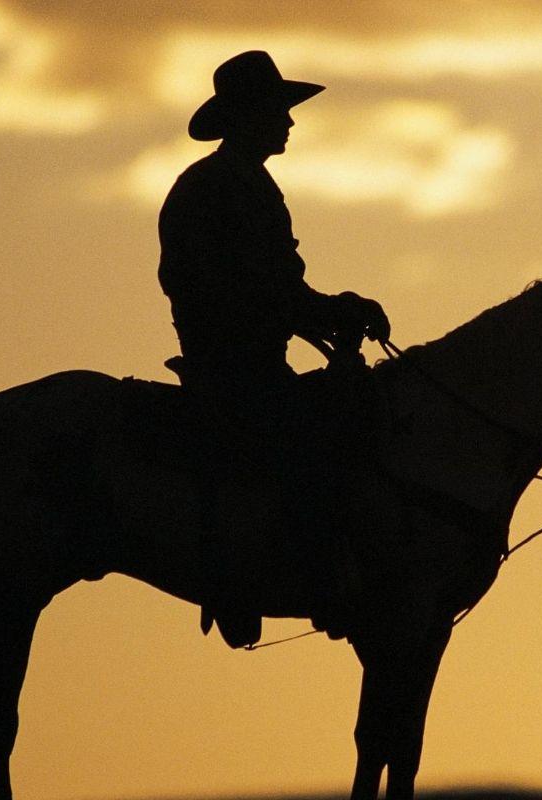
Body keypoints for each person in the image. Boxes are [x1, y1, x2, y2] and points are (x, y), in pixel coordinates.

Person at [158, 50, 389, 648]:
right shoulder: (209, 189)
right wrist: (310, 312)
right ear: (247, 116)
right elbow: (217, 285)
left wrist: (335, 309)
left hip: (255, 358)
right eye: (278, 111)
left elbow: (283, 287)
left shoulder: (250, 186)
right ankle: (276, 577)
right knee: (320, 437)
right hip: (229, 366)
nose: (289, 123)